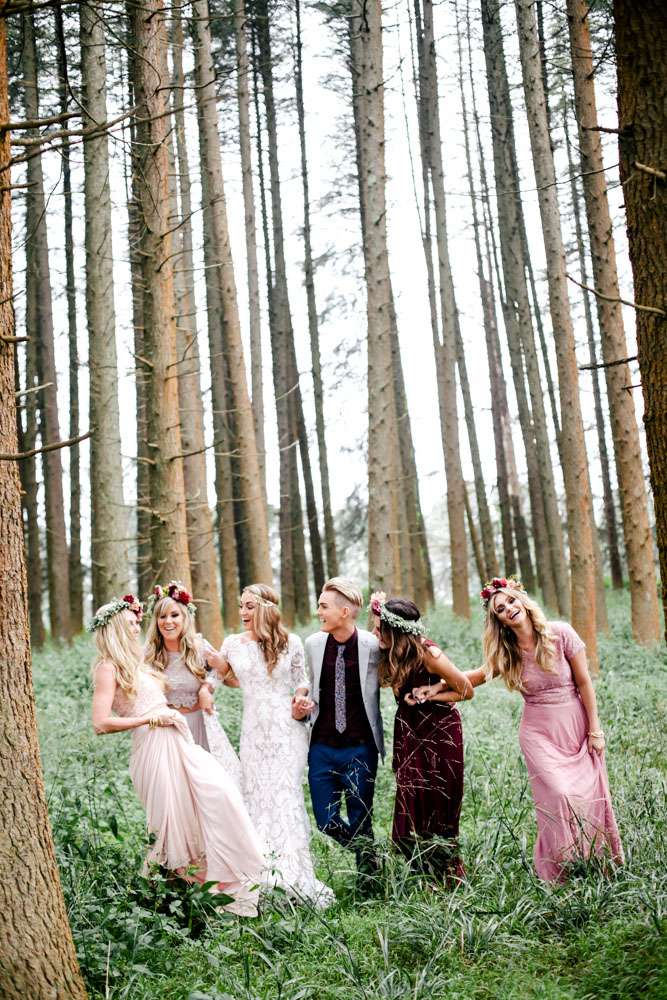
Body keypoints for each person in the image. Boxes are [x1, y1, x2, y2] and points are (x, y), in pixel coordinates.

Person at [416, 577, 624, 881]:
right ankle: (562, 866)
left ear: (523, 601)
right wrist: (437, 688)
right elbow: (476, 677)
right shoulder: (507, 652)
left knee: (588, 794)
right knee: (559, 794)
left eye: (511, 601)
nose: (509, 609)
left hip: (575, 725)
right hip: (538, 733)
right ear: (499, 620)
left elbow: (584, 682)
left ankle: (593, 861)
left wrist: (595, 729)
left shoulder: (561, 633)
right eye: (500, 609)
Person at [89, 595, 265, 916]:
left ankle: (214, 884)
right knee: (173, 825)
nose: (137, 627)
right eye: (131, 623)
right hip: (153, 746)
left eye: (137, 622)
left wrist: (203, 688)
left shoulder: (135, 662)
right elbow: (101, 723)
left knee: (219, 795)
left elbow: (216, 675)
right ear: (114, 627)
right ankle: (172, 904)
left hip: (178, 740)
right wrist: (149, 718)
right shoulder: (107, 667)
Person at [217, 584, 334, 907]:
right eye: (241, 606)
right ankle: (259, 875)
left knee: (285, 796)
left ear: (266, 609)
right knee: (255, 797)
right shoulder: (232, 644)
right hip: (253, 733)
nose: (243, 612)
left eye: (249, 606)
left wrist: (300, 699)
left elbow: (301, 680)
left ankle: (294, 876)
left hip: (286, 732)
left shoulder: (290, 642)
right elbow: (217, 678)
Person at [371, 592, 473, 881]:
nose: (375, 633)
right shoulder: (390, 653)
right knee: (411, 798)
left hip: (441, 731)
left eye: (379, 628)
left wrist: (431, 694)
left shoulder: (429, 654)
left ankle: (446, 871)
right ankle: (420, 870)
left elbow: (466, 690)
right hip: (409, 730)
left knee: (439, 798)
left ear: (396, 632)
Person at [295, 577, 383, 891]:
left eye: (323, 607)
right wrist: (302, 698)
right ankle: (370, 854)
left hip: (360, 746)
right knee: (326, 820)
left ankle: (370, 883)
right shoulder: (313, 644)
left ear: (344, 612)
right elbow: (308, 681)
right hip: (322, 746)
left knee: (361, 816)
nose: (318, 612)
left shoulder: (373, 645)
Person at [143, 581, 241, 784]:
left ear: (185, 617)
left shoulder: (199, 647)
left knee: (209, 784)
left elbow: (219, 671)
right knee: (176, 786)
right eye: (162, 616)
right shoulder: (149, 654)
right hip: (168, 731)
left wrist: (206, 688)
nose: (168, 621)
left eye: (174, 615)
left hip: (200, 726)